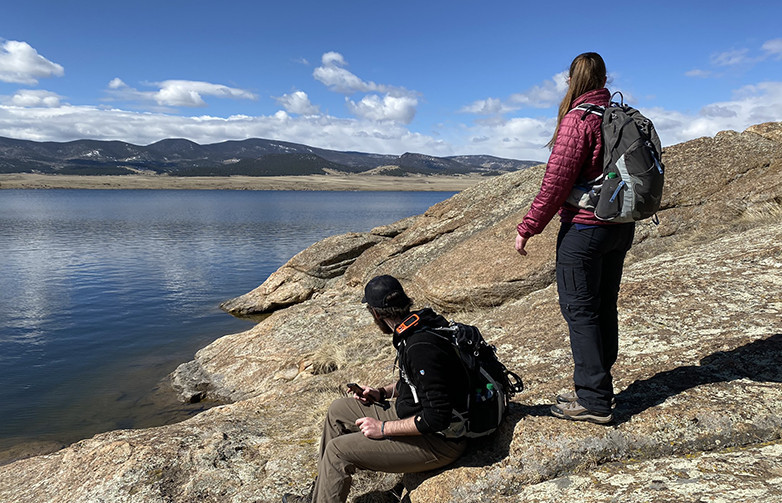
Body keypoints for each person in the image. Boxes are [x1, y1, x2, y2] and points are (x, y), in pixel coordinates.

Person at [515, 52, 634, 425]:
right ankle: (595, 386)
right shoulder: (619, 116)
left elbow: (555, 183)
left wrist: (528, 227)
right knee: (603, 306)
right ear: (602, 78)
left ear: (572, 81)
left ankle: (594, 400)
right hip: (620, 226)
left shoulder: (578, 119)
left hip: (584, 228)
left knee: (581, 311)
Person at [282, 274, 469, 503]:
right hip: (412, 415)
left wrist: (384, 428)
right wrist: (381, 392)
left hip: (441, 441)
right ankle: (317, 497)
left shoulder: (420, 347)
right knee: (338, 410)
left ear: (376, 313)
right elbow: (418, 384)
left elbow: (436, 418)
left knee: (337, 452)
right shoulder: (417, 325)